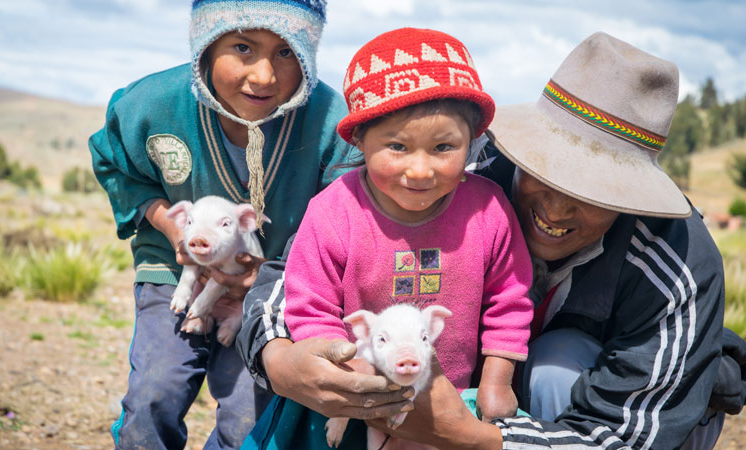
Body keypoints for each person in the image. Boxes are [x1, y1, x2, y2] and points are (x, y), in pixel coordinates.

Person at [237, 32, 745, 449]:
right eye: (545, 173)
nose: (556, 209)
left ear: (630, 197)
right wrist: (278, 357)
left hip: (605, 416)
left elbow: (632, 436)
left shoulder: (677, 262)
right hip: (433, 392)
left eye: (591, 192)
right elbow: (295, 273)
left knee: (556, 366)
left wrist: (477, 438)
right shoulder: (448, 167)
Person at [88, 1, 358, 448]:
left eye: (288, 52)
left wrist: (269, 278)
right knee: (155, 394)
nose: (265, 76)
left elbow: (342, 219)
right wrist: (168, 225)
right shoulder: (150, 106)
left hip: (277, 290)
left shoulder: (332, 124)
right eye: (243, 47)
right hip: (174, 272)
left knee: (248, 418)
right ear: (205, 46)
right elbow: (117, 165)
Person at [282, 27, 533, 436]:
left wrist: (496, 382)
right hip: (354, 401)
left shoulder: (488, 210)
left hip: (454, 405)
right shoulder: (333, 212)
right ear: (360, 140)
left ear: (472, 141)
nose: (420, 170)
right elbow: (311, 308)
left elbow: (510, 299)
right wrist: (351, 375)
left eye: (443, 148)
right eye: (397, 147)